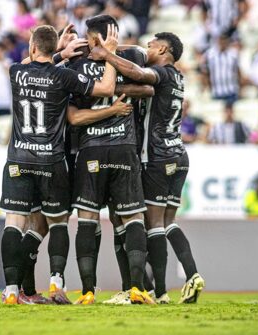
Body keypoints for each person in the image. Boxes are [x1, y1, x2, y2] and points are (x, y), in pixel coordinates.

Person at [0, 24, 124, 305]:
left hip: (19, 158)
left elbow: (33, 60)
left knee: (14, 223)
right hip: (52, 161)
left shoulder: (16, 71)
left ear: (32, 47)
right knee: (57, 224)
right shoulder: (63, 76)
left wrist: (57, 50)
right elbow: (106, 87)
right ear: (52, 46)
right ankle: (57, 283)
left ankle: (10, 291)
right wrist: (112, 54)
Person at [91, 30, 206, 304]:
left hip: (157, 157)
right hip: (178, 155)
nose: (147, 49)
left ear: (164, 51)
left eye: (152, 46)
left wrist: (107, 55)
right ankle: (191, 275)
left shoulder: (163, 73)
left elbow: (141, 75)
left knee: (153, 224)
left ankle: (161, 291)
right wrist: (113, 47)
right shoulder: (178, 78)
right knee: (168, 222)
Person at [66, 15, 155, 305]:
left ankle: (88, 292)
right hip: (124, 147)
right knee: (133, 218)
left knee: (88, 220)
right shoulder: (129, 58)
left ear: (93, 38)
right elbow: (146, 86)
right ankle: (138, 289)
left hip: (91, 149)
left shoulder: (76, 66)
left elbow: (74, 118)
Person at [202, 34, 241, 104]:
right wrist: (207, 86)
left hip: (231, 90)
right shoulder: (210, 54)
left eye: (224, 40)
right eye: (221, 40)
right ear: (218, 41)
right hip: (216, 91)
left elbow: (238, 72)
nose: (222, 43)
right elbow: (205, 71)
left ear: (227, 41)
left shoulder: (233, 54)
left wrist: (240, 87)